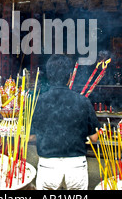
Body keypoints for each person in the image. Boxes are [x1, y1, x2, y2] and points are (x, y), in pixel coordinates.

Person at [30, 55, 100, 190]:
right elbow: (94, 137)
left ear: (49, 77)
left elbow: (31, 136)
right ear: (69, 77)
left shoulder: (39, 102)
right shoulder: (83, 101)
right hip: (76, 167)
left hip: (48, 166)